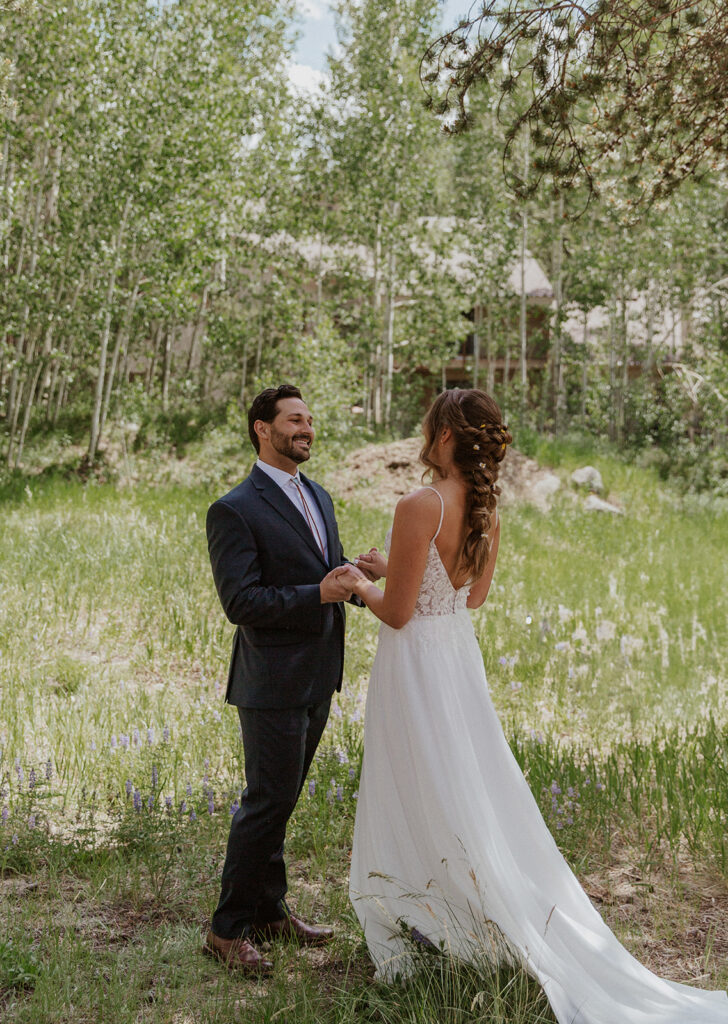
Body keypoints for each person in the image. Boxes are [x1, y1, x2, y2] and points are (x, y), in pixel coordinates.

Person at [338, 388, 728, 1023]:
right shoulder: (488, 508)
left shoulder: (418, 504)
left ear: (442, 437)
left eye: (427, 426)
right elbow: (470, 597)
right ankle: (461, 917)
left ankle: (432, 918)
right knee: (464, 783)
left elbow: (401, 614)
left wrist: (359, 585)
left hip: (414, 668)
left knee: (418, 780)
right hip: (456, 661)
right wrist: (394, 570)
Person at [203, 384, 361, 973]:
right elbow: (241, 601)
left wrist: (359, 579)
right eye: (294, 420)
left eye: (310, 420)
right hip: (270, 679)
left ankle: (269, 912)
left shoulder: (318, 494)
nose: (307, 428)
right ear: (261, 429)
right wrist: (318, 591)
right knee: (266, 802)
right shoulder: (234, 508)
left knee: (283, 800)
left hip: (319, 673)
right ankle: (226, 929)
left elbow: (329, 574)